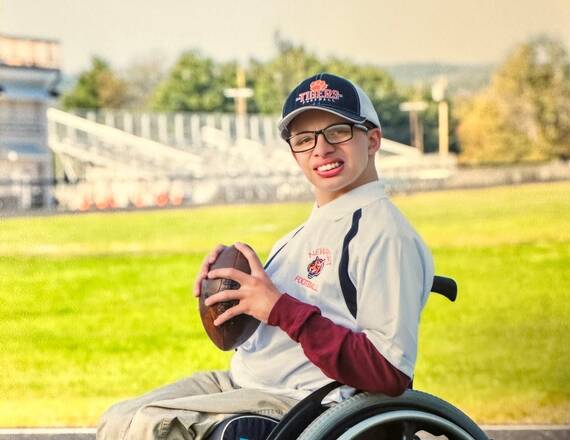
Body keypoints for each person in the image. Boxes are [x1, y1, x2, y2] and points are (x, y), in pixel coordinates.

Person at [97, 73, 434, 440]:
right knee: (119, 420)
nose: (321, 149)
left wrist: (279, 308)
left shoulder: (383, 234)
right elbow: (267, 331)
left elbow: (388, 371)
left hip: (304, 401)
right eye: (304, 139)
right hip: (244, 381)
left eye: (338, 131)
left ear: (372, 140)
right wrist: (226, 294)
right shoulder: (303, 233)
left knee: (155, 428)